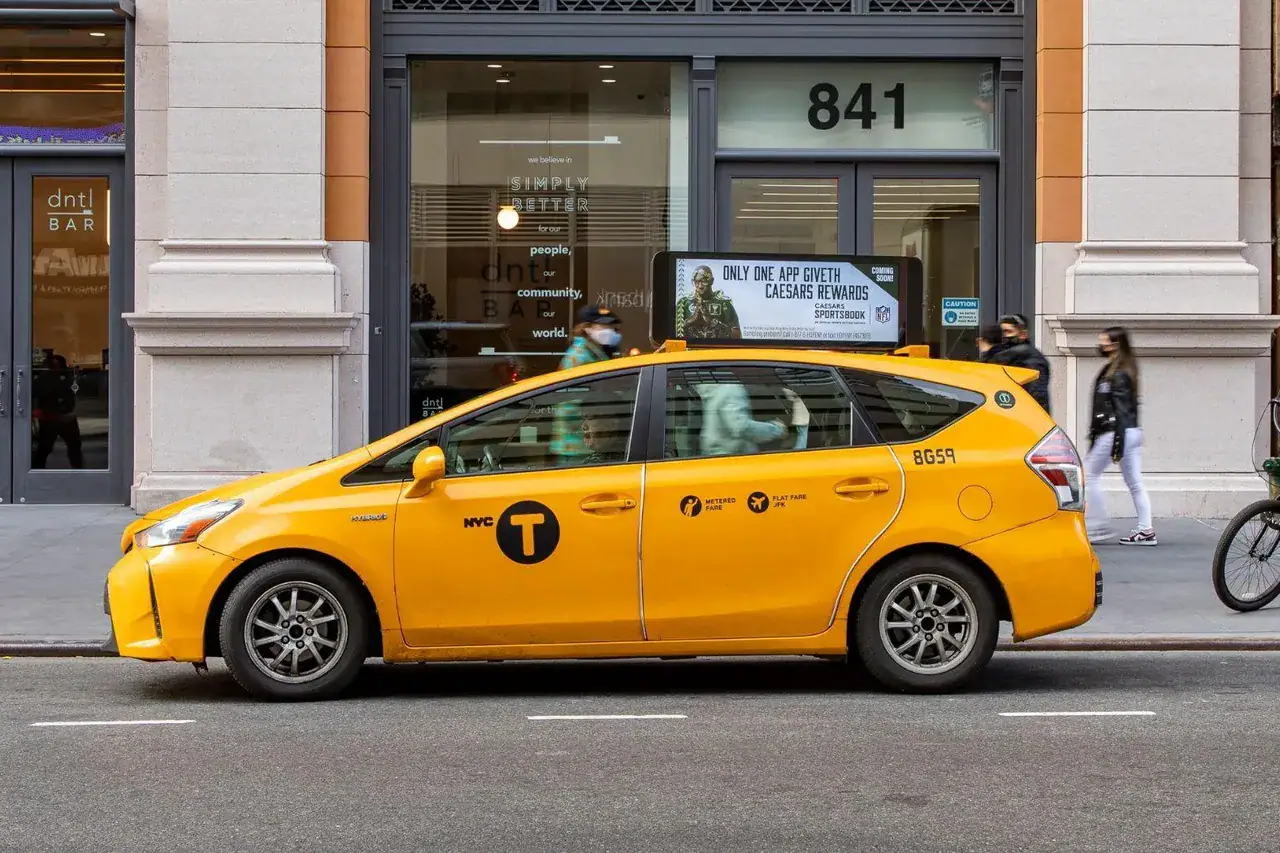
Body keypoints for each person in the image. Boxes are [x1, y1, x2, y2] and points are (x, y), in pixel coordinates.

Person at [1085, 326, 1155, 546]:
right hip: (1127, 431)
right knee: (1135, 482)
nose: (1100, 344)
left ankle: (1096, 527)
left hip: (1116, 432)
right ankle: (1146, 530)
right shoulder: (1120, 369)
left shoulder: (1118, 373)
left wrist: (1118, 441)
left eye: (1104, 341)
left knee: (1088, 475)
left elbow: (1121, 410)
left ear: (1115, 345)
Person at [551, 306, 623, 461]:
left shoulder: (595, 354)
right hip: (577, 448)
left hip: (587, 446)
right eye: (603, 326)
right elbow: (573, 404)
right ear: (587, 328)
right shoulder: (579, 357)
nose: (609, 330)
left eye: (611, 326)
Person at [979, 313, 1051, 413]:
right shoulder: (1004, 355)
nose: (1003, 336)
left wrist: (988, 352)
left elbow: (1037, 395)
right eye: (1001, 332)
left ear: (1023, 335)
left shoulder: (1029, 357)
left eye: (1008, 331)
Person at [675, 265, 741, 339]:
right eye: (696, 282)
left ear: (712, 281)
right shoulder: (684, 303)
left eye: (704, 282)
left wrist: (713, 322)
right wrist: (690, 321)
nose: (700, 286)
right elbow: (673, 334)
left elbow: (737, 336)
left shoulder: (724, 303)